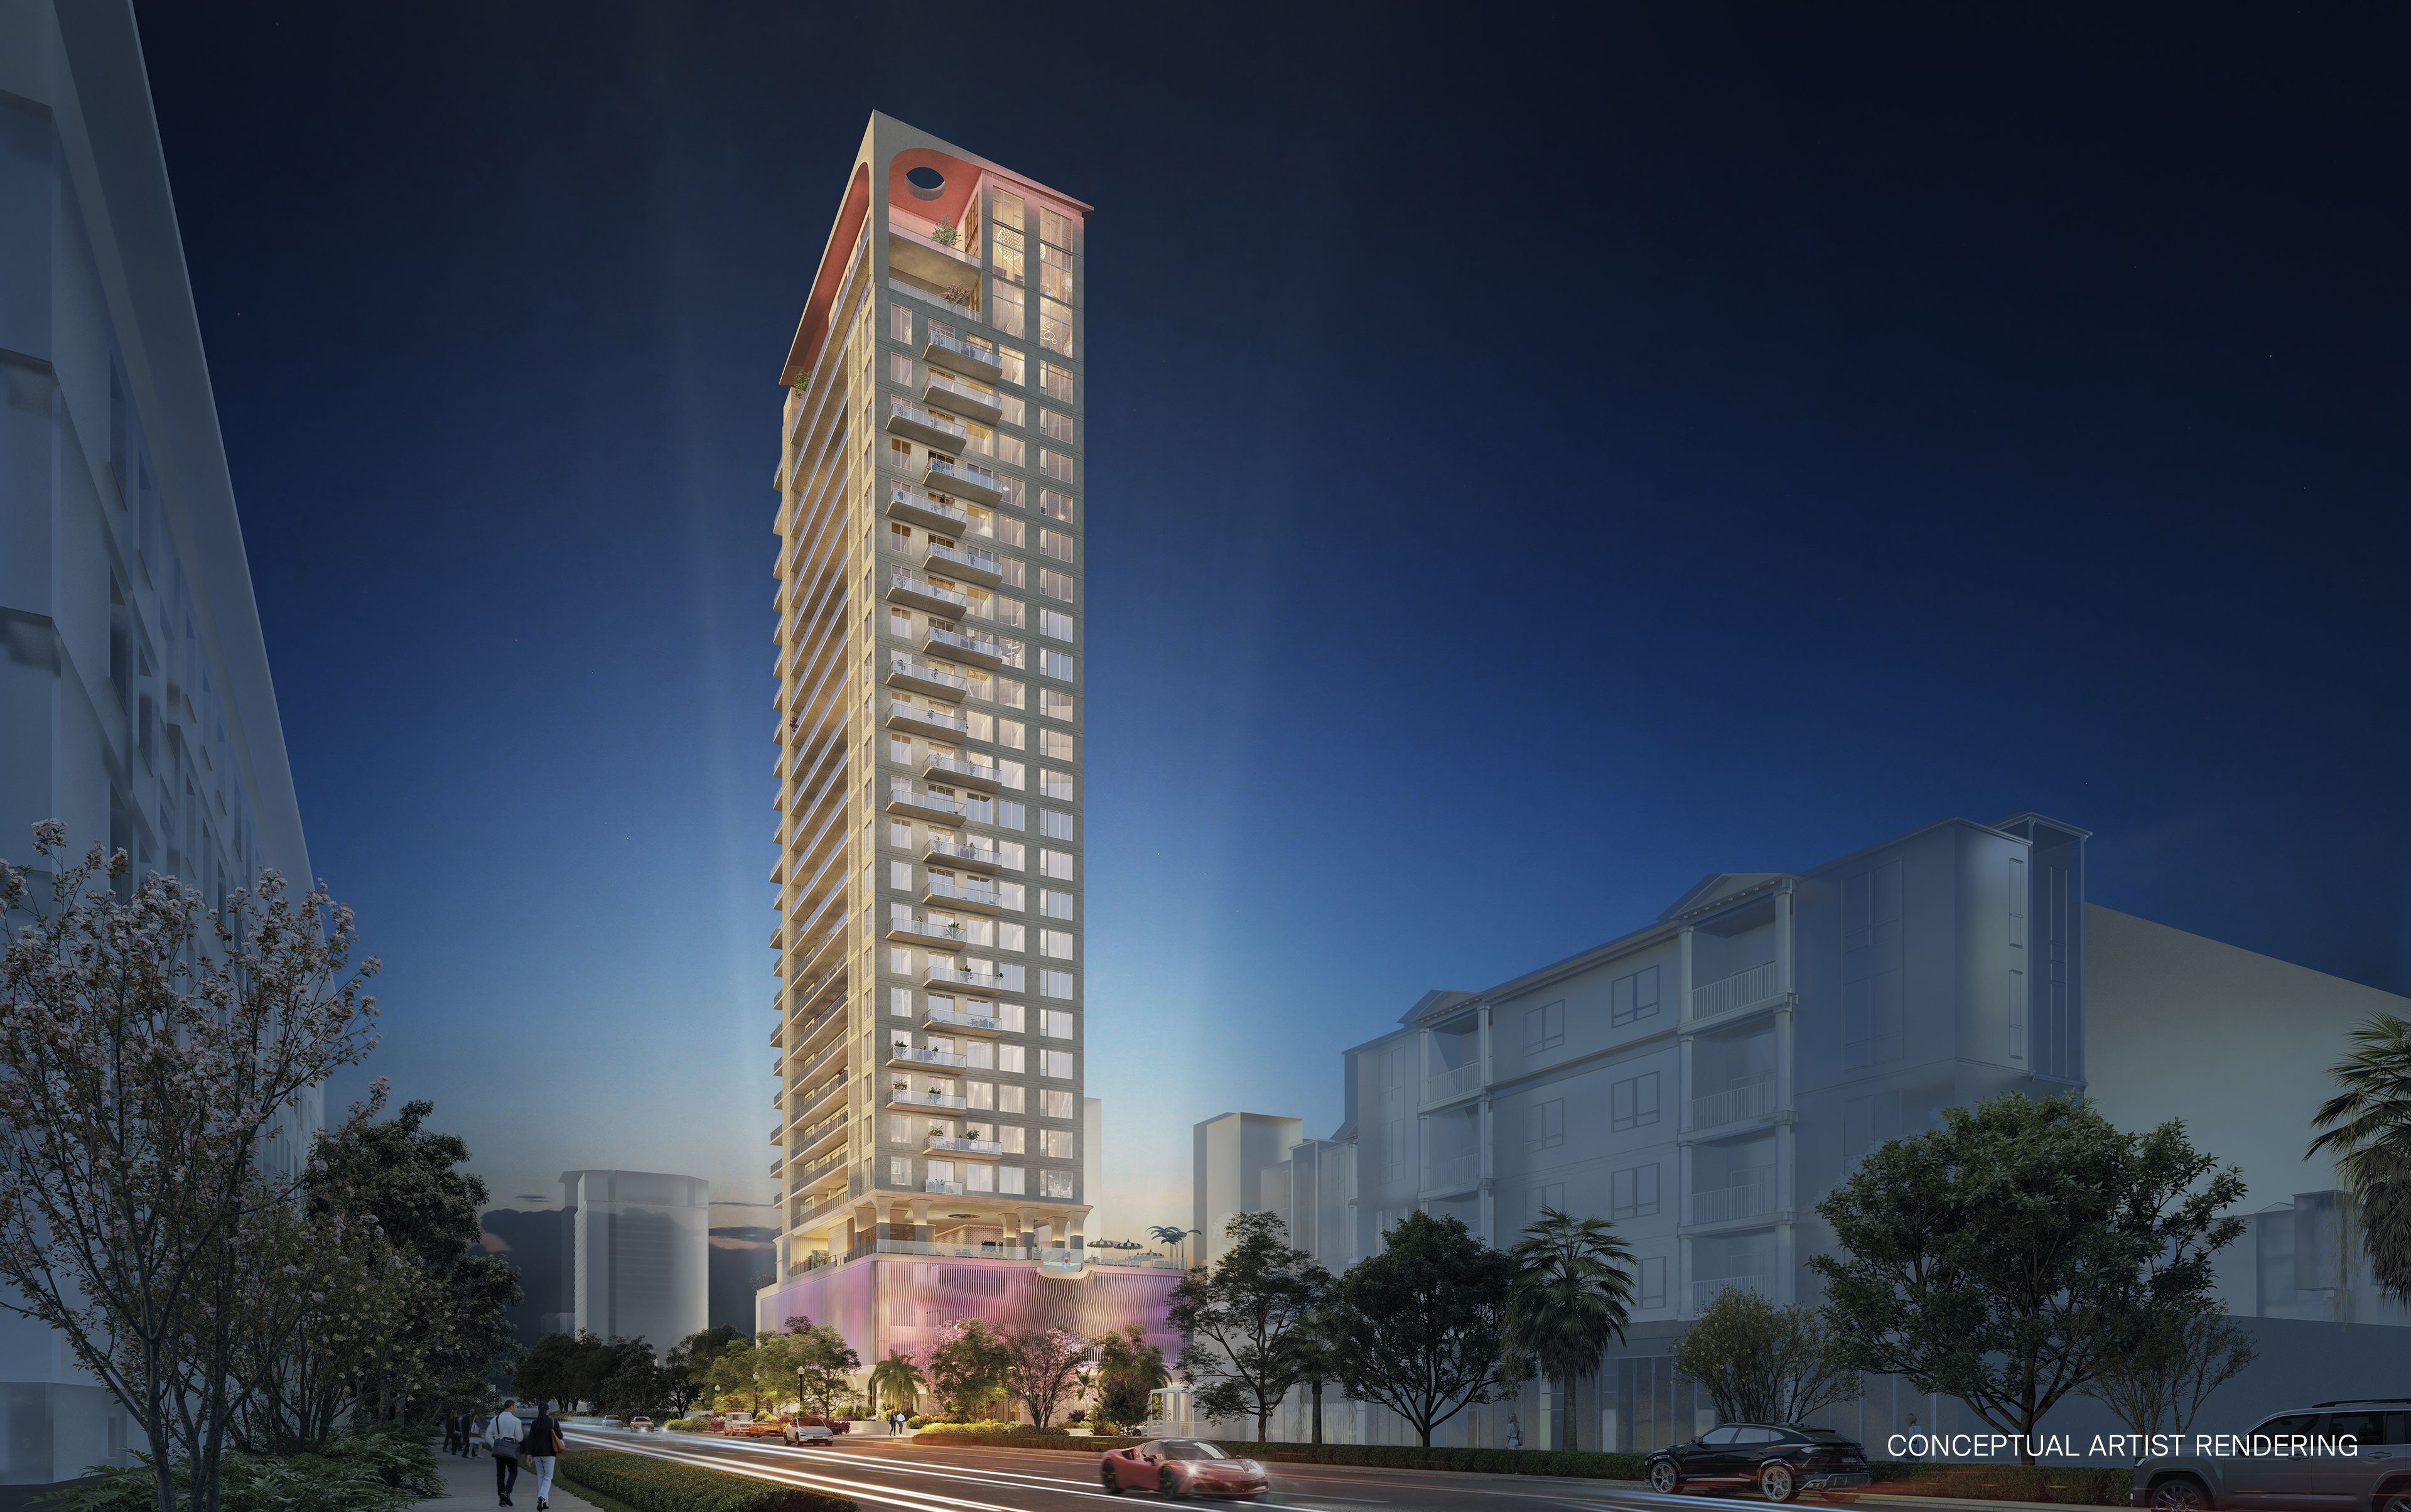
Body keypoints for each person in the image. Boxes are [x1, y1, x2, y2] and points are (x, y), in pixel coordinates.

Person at [524, 1401, 567, 1512]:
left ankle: (545, 1503)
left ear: (539, 1410)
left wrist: (529, 1454)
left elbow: (531, 1440)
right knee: (548, 1477)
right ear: (548, 1411)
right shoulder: (553, 1421)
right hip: (549, 1454)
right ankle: (542, 1497)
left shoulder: (534, 1423)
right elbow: (560, 1436)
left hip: (537, 1454)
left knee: (541, 1477)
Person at [486, 1399, 525, 1506]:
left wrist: (496, 1446)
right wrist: (513, 1442)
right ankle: (506, 1492)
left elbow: (488, 1436)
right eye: (515, 1407)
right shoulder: (516, 1421)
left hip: (499, 1451)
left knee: (500, 1475)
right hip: (511, 1451)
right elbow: (520, 1438)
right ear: (511, 1407)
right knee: (513, 1472)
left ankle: (502, 1500)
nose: (515, 1409)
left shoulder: (496, 1419)